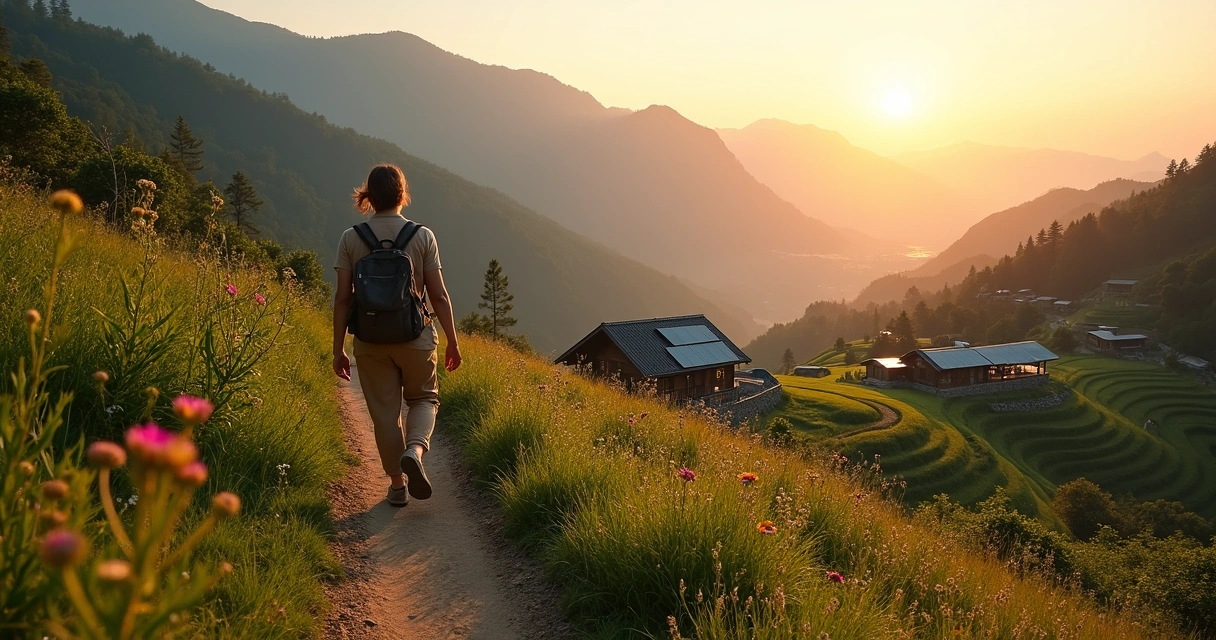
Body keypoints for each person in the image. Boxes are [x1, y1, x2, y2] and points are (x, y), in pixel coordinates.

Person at [332, 164, 461, 507]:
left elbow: (343, 298)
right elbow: (439, 296)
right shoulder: (422, 236)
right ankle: (415, 450)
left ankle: (396, 486)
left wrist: (338, 349)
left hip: (370, 342)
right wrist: (452, 341)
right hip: (415, 337)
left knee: (385, 417)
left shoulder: (350, 237)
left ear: (368, 197)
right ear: (403, 193)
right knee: (423, 399)